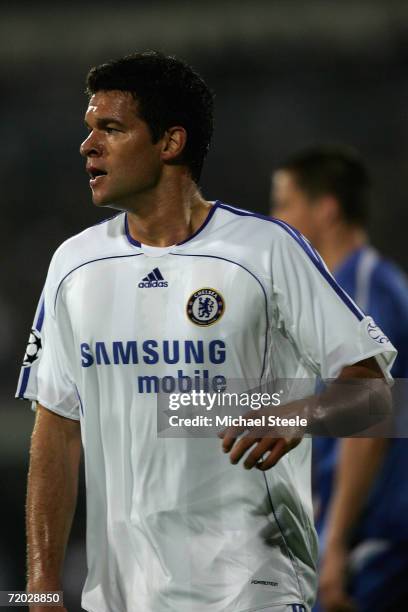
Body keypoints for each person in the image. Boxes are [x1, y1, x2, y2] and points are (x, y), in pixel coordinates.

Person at [16, 53, 395, 612]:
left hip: (252, 590)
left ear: (170, 143)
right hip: (120, 598)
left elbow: (375, 396)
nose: (88, 146)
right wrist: (41, 586)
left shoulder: (266, 251)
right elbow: (57, 426)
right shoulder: (73, 265)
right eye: (88, 130)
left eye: (111, 129)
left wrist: (299, 415)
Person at [271, 145, 408, 612]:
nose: (276, 218)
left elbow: (368, 424)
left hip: (377, 540)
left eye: (285, 204)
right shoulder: (335, 291)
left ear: (326, 209)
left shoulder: (365, 289)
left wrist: (333, 546)